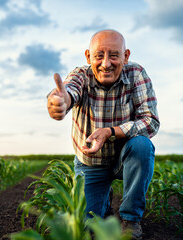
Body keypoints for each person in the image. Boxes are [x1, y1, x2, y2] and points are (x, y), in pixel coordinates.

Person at [46, 29, 160, 240]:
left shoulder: (136, 74)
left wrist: (110, 132)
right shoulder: (81, 75)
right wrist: (60, 101)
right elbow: (70, 91)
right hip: (91, 163)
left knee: (142, 145)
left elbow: (150, 121)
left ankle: (130, 219)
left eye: (114, 55)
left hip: (126, 157)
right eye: (99, 55)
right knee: (87, 227)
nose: (106, 63)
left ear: (126, 56)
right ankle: (104, 199)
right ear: (89, 57)